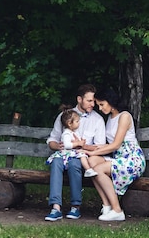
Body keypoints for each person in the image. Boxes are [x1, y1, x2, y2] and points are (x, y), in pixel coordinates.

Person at [44, 84, 106, 222]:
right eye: (89, 101)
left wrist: (82, 146)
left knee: (74, 165)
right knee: (56, 163)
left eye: (94, 101)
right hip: (63, 153)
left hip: (81, 157)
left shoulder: (98, 120)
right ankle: (55, 207)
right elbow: (52, 140)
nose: (92, 104)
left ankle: (75, 206)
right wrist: (58, 146)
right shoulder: (65, 116)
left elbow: (99, 147)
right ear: (79, 99)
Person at [85, 87, 146, 221]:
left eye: (102, 104)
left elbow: (116, 145)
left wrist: (91, 151)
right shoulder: (109, 119)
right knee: (92, 163)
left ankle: (117, 210)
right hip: (118, 158)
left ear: (110, 101)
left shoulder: (124, 116)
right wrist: (88, 149)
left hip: (132, 159)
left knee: (98, 169)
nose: (100, 108)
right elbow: (107, 145)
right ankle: (106, 206)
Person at [46, 108, 98, 178]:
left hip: (72, 152)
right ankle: (88, 169)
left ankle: (88, 169)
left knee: (82, 154)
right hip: (67, 153)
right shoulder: (66, 134)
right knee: (81, 155)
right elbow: (67, 145)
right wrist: (78, 144)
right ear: (70, 123)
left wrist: (81, 142)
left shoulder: (74, 132)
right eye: (77, 121)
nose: (79, 123)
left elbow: (77, 141)